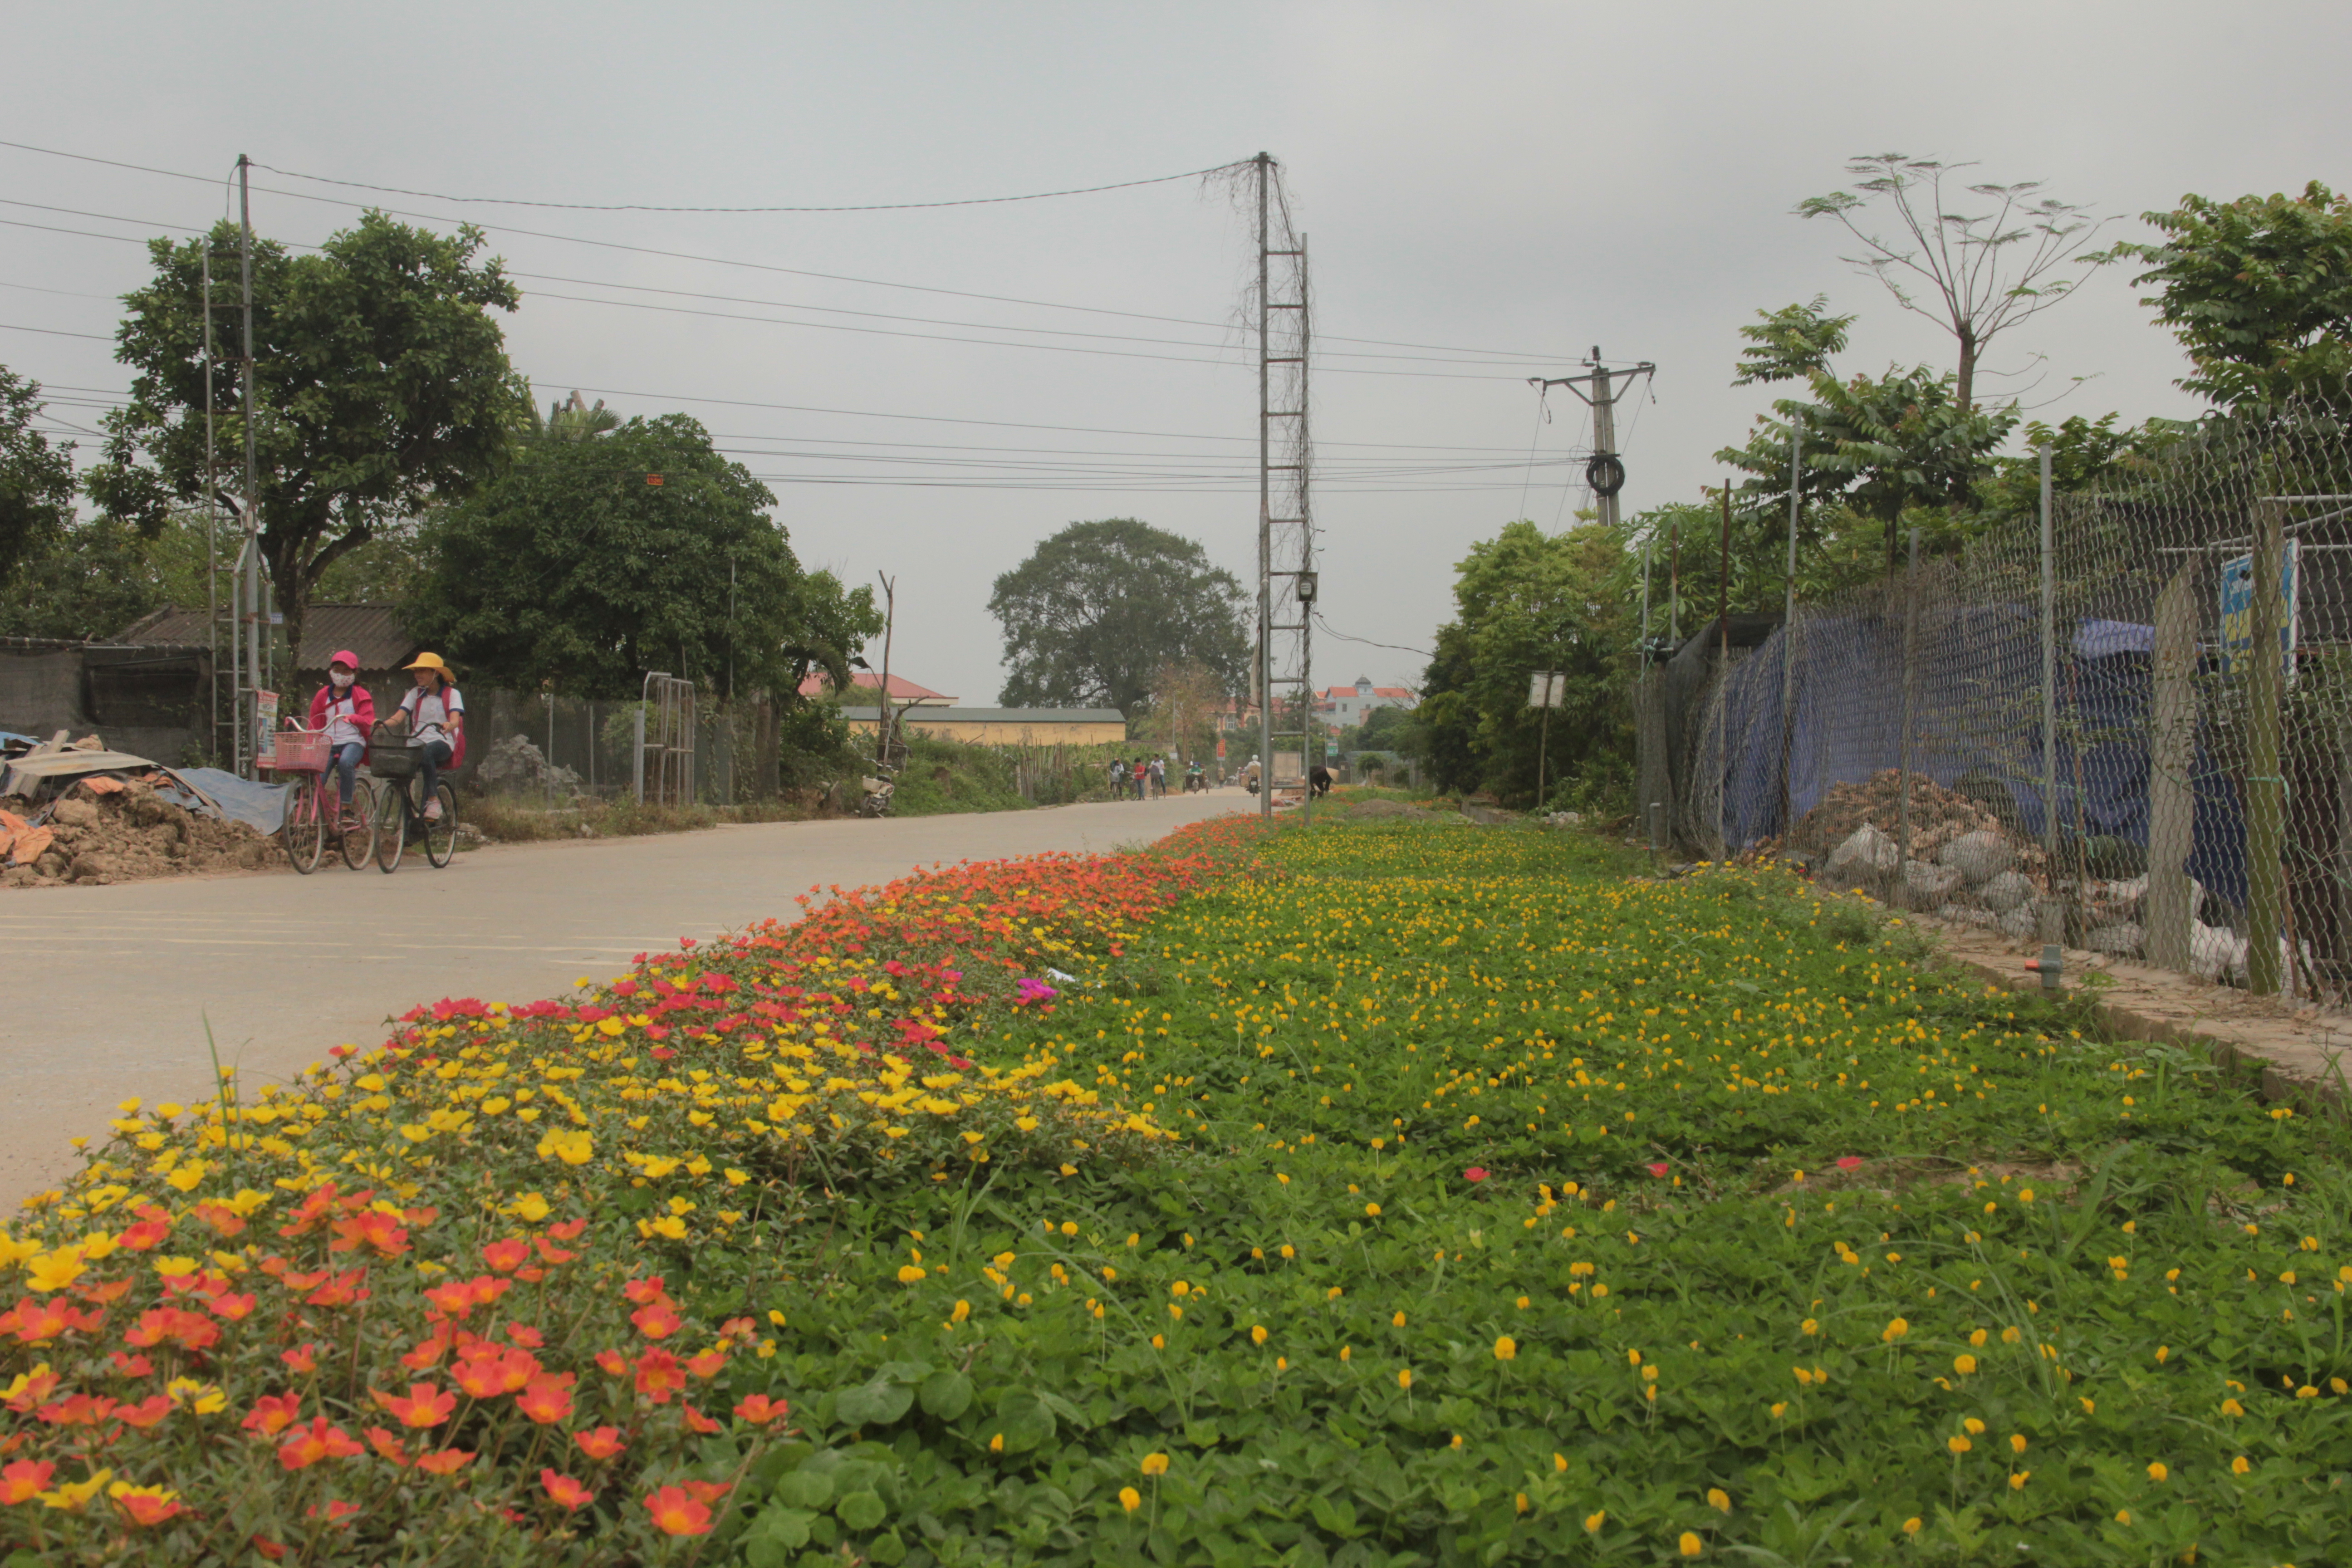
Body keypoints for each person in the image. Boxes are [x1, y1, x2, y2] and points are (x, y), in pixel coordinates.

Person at [383, 652, 465, 819]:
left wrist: (449, 725)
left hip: (442, 741)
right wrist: (381, 724)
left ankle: (434, 800)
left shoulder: (452, 694)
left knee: (426, 751)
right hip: (417, 741)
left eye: (422, 671)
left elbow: (455, 720)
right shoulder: (415, 693)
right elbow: (398, 717)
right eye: (416, 671)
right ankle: (407, 826)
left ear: (435, 673)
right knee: (401, 775)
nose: (417, 675)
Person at [307, 650, 375, 831]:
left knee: (346, 763)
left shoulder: (360, 694)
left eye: (347, 672)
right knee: (317, 776)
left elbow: (368, 720)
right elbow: (314, 720)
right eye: (338, 670)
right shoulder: (323, 695)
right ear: (331, 671)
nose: (341, 675)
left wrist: (354, 718)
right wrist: (311, 740)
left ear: (354, 673)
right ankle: (320, 818)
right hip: (328, 742)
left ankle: (346, 809)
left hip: (353, 741)